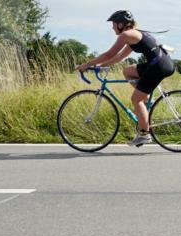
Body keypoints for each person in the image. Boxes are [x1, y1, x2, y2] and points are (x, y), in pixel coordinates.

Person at [74, 10, 175, 147]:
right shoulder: (133, 34)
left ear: (121, 24)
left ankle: (144, 134)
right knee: (128, 71)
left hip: (158, 66)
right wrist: (100, 66)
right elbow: (119, 57)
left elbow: (109, 54)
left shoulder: (126, 35)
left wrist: (87, 65)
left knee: (135, 99)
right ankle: (143, 100)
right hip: (160, 63)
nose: (112, 27)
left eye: (113, 24)